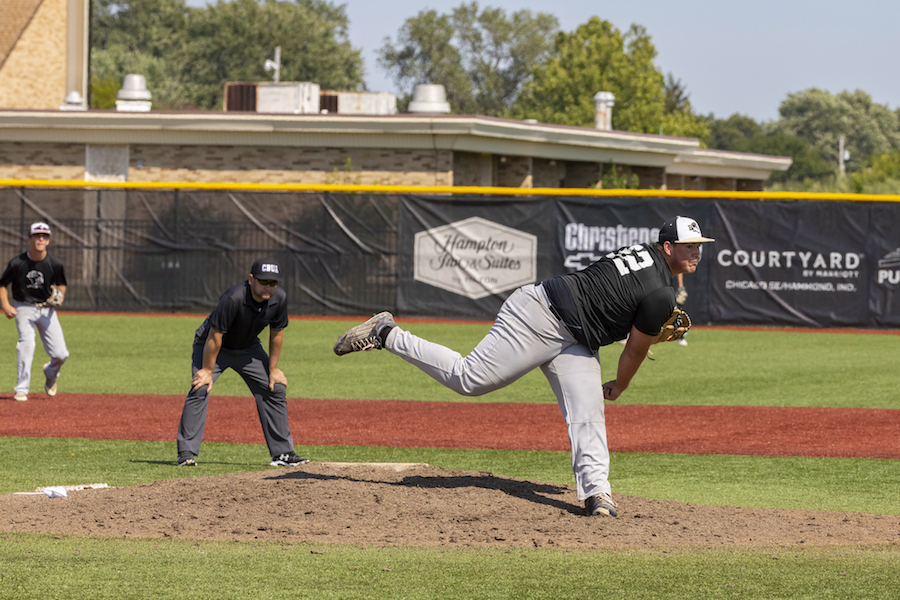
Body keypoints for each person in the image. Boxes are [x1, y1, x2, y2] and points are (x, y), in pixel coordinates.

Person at [333, 216, 714, 517]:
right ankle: (387, 333)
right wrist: (621, 383)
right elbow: (632, 353)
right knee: (470, 379)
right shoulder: (662, 293)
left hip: (575, 336)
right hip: (540, 317)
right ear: (668, 247)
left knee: (588, 412)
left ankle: (598, 493)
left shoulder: (641, 252)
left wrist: (631, 329)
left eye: (699, 246)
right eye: (689, 246)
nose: (696, 253)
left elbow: (612, 300)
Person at [176, 258, 308, 468]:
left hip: (248, 349)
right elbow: (215, 335)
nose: (268, 287)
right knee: (200, 386)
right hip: (213, 346)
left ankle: (282, 453)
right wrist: (208, 370)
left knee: (276, 388)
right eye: (264, 282)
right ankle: (186, 453)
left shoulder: (279, 299)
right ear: (251, 280)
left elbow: (277, 334)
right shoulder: (233, 297)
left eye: (273, 283)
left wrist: (273, 370)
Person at [0, 222, 69, 402]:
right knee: (27, 343)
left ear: (48, 240)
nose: (40, 239)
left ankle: (50, 372)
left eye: (44, 236)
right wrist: (6, 306)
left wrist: (60, 296)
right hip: (24, 307)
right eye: (37, 235)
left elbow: (62, 284)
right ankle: (21, 389)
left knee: (61, 354)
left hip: (46, 309)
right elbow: (2, 284)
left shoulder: (55, 263)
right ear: (29, 238)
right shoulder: (18, 263)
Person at [675, 273, 689, 346]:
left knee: (677, 312)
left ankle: (681, 336)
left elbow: (679, 270)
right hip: (664, 285)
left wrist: (680, 286)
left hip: (673, 285)